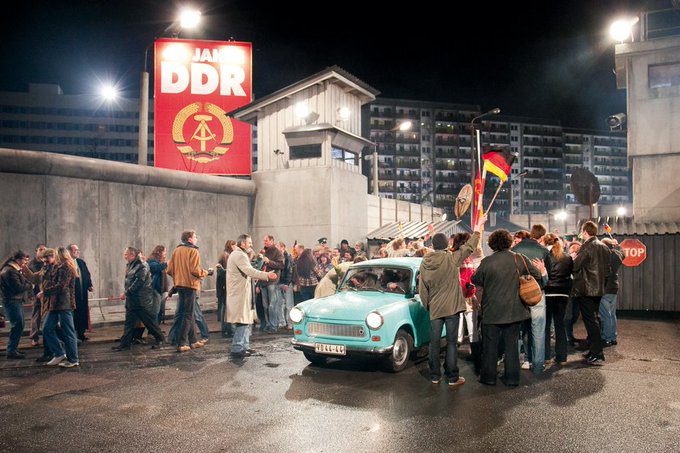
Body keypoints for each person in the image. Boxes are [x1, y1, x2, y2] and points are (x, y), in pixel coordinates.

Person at [419, 214, 486, 387]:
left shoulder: (424, 262)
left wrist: (427, 305)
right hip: (452, 308)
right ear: (447, 244)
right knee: (451, 344)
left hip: (434, 308)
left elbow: (422, 287)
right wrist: (477, 229)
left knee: (434, 344)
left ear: (433, 246)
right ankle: (452, 377)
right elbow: (469, 247)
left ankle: (434, 375)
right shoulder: (451, 258)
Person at [472, 230, 543, 387]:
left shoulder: (487, 262)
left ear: (492, 244)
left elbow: (475, 279)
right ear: (509, 242)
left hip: (491, 311)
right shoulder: (519, 258)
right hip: (515, 310)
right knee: (511, 345)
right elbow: (537, 274)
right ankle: (512, 378)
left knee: (490, 346)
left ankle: (488, 377)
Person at [226, 234, 277, 359]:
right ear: (243, 243)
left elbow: (249, 270)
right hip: (239, 294)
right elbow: (249, 271)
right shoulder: (239, 255)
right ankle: (238, 348)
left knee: (246, 320)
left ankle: (244, 347)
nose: (251, 244)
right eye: (249, 242)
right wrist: (266, 275)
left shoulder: (239, 254)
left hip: (241, 293)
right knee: (242, 321)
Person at [512, 224, 550, 374]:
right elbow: (548, 275)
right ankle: (538, 365)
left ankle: (523, 361)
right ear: (541, 236)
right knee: (538, 330)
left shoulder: (514, 250)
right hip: (537, 293)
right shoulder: (543, 251)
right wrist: (543, 274)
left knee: (521, 330)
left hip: (519, 294)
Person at [572, 221, 611, 365]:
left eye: (582, 231)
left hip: (587, 290)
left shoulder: (587, 247)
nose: (581, 234)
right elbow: (608, 270)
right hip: (599, 289)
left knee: (591, 322)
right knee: (594, 319)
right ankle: (595, 349)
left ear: (585, 231)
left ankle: (597, 352)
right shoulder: (604, 247)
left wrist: (574, 257)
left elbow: (575, 266)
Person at [166, 230, 212, 353]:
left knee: (188, 313)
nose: (196, 238)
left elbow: (169, 269)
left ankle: (193, 341)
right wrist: (207, 272)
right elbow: (195, 271)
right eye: (195, 237)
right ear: (190, 239)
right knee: (187, 315)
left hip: (180, 285)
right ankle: (181, 343)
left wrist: (179, 277)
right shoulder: (193, 251)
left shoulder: (176, 250)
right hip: (190, 286)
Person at [113, 247, 165, 351]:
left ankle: (161, 339)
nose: (124, 255)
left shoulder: (142, 265)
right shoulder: (131, 264)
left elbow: (139, 282)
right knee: (129, 322)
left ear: (132, 255)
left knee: (149, 322)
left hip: (141, 301)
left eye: (126, 254)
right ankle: (125, 344)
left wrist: (126, 293)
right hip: (133, 300)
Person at [39, 247, 80, 367]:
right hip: (55, 304)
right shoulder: (58, 266)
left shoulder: (65, 266)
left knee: (68, 332)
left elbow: (61, 285)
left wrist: (44, 292)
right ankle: (59, 353)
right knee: (46, 328)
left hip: (63, 304)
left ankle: (73, 359)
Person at [452, 233, 481, 372]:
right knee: (457, 329)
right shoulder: (453, 256)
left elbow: (471, 276)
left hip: (469, 296)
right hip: (457, 297)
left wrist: (473, 291)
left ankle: (475, 357)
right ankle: (452, 360)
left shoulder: (468, 257)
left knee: (472, 328)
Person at [543, 233, 573, 365]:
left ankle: (546, 356)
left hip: (548, 293)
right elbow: (571, 274)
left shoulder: (544, 256)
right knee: (560, 325)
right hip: (563, 294)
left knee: (546, 326)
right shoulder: (567, 257)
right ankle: (561, 356)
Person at [0, 250, 33, 359]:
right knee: (17, 325)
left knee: (19, 325)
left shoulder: (12, 270)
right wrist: (30, 285)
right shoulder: (10, 271)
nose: (25, 262)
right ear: (18, 260)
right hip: (12, 302)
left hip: (14, 301)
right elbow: (18, 287)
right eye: (24, 259)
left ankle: (13, 349)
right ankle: (11, 351)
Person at [599, 238, 624, 347]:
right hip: (613, 287)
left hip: (604, 287)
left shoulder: (604, 255)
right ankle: (613, 337)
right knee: (612, 314)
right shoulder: (617, 255)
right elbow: (623, 253)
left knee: (605, 315)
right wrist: (617, 245)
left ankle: (606, 338)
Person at [67, 244, 93, 342]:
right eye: (75, 250)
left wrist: (89, 285)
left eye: (78, 250)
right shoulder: (66, 263)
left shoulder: (81, 262)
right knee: (74, 314)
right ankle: (73, 335)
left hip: (83, 292)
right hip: (72, 294)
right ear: (69, 251)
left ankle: (81, 333)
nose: (78, 252)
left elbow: (87, 274)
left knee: (82, 312)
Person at [259, 235, 285, 333]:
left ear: (271, 241)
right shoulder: (263, 251)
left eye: (266, 240)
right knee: (265, 305)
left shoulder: (277, 252)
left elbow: (281, 265)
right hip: (263, 280)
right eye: (264, 240)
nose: (264, 242)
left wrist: (268, 261)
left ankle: (274, 325)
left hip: (272, 281)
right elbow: (260, 267)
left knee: (272, 305)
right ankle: (268, 324)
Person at [216, 240, 236, 337]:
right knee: (228, 308)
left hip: (223, 286)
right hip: (226, 285)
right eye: (234, 245)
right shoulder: (227, 256)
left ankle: (225, 329)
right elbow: (228, 272)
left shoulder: (224, 255)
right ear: (231, 246)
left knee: (225, 308)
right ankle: (229, 329)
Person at [28, 244, 46, 347]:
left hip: (47, 292)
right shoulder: (32, 263)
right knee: (36, 316)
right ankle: (34, 337)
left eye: (45, 249)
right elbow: (34, 278)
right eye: (41, 249)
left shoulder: (46, 262)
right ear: (36, 251)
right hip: (37, 293)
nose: (43, 251)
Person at [565, 241, 583, 345]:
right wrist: (570, 260)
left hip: (578, 291)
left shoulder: (582, 260)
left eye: (577, 248)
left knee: (575, 314)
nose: (575, 249)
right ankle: (568, 337)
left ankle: (570, 335)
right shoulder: (566, 259)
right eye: (573, 247)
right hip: (568, 291)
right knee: (568, 315)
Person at [146, 245, 169, 324]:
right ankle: (152, 332)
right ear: (159, 252)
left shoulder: (159, 261)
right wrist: (166, 264)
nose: (165, 253)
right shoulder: (152, 260)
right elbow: (155, 268)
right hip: (155, 289)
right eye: (164, 251)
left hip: (161, 289)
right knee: (155, 311)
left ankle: (156, 330)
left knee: (160, 310)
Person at [276, 242, 295, 330]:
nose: (276, 249)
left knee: (289, 305)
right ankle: (282, 322)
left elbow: (290, 271)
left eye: (278, 247)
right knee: (279, 304)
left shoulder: (288, 257)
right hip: (278, 282)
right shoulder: (277, 257)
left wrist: (287, 283)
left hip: (286, 283)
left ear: (283, 247)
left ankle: (290, 323)